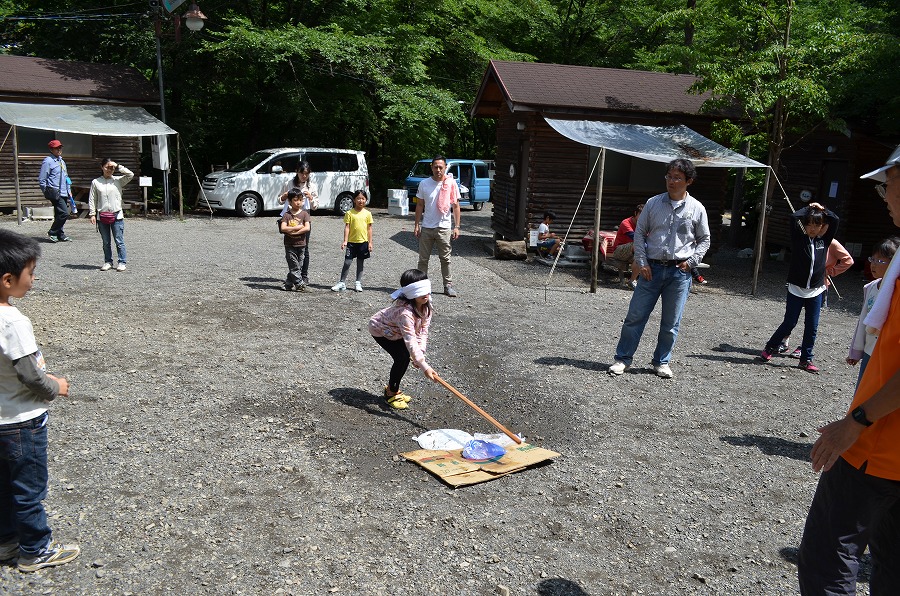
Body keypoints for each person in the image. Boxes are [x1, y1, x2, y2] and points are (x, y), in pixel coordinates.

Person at [797, 144, 900, 594]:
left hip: (879, 446)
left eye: (888, 183)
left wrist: (854, 423)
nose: (883, 193)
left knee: (829, 556)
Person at [0, 229, 80, 572]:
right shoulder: (13, 322)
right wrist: (55, 387)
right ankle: (36, 549)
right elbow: (31, 376)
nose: (33, 280)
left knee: (4, 485)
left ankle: (7, 542)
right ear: (7, 279)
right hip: (22, 421)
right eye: (30, 273)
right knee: (29, 488)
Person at [607, 159, 710, 379]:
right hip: (651, 269)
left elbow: (704, 240)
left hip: (679, 273)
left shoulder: (697, 208)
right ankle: (622, 359)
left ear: (688, 181)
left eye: (677, 178)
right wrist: (642, 262)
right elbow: (640, 233)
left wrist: (691, 262)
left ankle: (661, 362)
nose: (671, 181)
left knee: (671, 322)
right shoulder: (653, 203)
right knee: (635, 316)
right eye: (668, 176)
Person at [757, 203, 838, 373]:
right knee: (790, 322)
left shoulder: (824, 241)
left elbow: (835, 219)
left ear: (822, 226)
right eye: (809, 224)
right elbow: (794, 217)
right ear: (805, 225)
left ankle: (805, 359)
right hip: (796, 289)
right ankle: (770, 347)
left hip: (816, 291)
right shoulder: (798, 239)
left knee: (812, 326)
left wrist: (823, 209)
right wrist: (809, 209)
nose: (813, 228)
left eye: (817, 225)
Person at [368, 269, 437, 409]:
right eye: (420, 291)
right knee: (402, 358)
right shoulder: (405, 313)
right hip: (380, 329)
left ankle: (393, 389)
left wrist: (420, 354)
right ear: (410, 292)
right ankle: (391, 393)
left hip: (398, 331)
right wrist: (425, 367)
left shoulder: (427, 307)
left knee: (406, 356)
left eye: (426, 290)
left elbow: (423, 331)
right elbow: (410, 340)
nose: (425, 294)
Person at [778, 237, 853, 355]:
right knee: (790, 317)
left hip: (818, 287)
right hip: (799, 283)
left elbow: (848, 260)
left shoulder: (831, 242)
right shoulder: (806, 239)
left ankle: (804, 348)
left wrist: (830, 271)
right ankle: (783, 341)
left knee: (811, 321)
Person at [846, 237, 899, 387]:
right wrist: (856, 351)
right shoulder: (871, 287)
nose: (873, 265)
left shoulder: (897, 292)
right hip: (869, 349)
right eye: (872, 259)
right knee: (863, 388)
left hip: (886, 352)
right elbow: (863, 319)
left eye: (880, 261)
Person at [414, 155, 461, 297]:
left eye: (441, 167)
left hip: (444, 227)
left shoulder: (451, 183)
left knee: (445, 259)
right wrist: (417, 224)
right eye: (436, 167)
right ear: (432, 168)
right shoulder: (424, 184)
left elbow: (456, 206)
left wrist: (457, 226)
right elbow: (420, 205)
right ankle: (421, 286)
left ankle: (448, 285)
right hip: (427, 226)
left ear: (445, 167)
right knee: (423, 259)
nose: (438, 170)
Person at [88, 158, 134, 272]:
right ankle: (108, 261)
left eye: (112, 168)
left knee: (119, 240)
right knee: (106, 241)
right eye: (107, 167)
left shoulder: (118, 180)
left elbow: (130, 174)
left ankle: (122, 262)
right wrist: (92, 214)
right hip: (102, 215)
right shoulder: (96, 182)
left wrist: (118, 166)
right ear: (102, 167)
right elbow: (92, 198)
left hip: (117, 215)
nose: (109, 170)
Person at [278, 162, 318, 285]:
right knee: (291, 247)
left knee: (304, 248)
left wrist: (311, 198)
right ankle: (294, 276)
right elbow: (279, 200)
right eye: (302, 173)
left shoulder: (311, 186)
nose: (304, 176)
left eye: (307, 173)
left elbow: (315, 206)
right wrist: (284, 196)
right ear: (297, 172)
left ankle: (303, 276)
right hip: (290, 216)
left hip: (304, 216)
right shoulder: (289, 183)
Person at [331, 190, 373, 293]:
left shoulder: (368, 214)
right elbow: (347, 227)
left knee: (360, 262)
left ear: (366, 200)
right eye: (358, 198)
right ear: (354, 200)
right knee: (347, 262)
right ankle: (342, 282)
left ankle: (358, 282)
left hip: (363, 242)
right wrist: (345, 241)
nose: (360, 201)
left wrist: (370, 242)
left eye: (363, 198)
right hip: (351, 243)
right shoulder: (349, 213)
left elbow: (369, 229)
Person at [37, 140, 72, 243]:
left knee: (59, 213)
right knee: (64, 213)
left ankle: (60, 234)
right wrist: (46, 191)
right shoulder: (48, 161)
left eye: (60, 147)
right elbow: (42, 179)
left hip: (64, 191)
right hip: (55, 191)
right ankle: (52, 232)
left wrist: (69, 190)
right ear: (51, 149)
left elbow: (66, 177)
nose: (59, 150)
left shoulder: (61, 161)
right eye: (57, 148)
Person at [280, 189, 311, 292]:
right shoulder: (287, 215)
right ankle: (299, 284)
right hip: (289, 245)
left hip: (301, 244)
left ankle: (288, 284)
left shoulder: (305, 214)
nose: (298, 202)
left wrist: (295, 232)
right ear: (290, 201)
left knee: (298, 266)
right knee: (294, 265)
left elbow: (307, 228)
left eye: (301, 200)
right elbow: (283, 228)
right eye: (295, 200)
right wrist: (297, 228)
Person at [610, 203, 644, 288]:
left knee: (641, 257)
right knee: (637, 245)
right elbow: (634, 237)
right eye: (641, 215)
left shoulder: (645, 225)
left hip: (635, 252)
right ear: (635, 213)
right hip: (619, 251)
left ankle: (632, 281)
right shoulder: (626, 222)